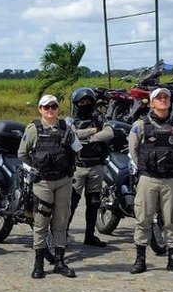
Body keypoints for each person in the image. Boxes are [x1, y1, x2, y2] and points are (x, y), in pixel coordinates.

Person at [127, 87, 173, 274]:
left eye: (166, 97)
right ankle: (140, 260)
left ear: (170, 101)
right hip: (148, 179)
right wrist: (144, 167)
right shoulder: (140, 125)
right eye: (159, 97)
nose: (163, 100)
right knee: (143, 220)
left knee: (171, 221)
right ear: (151, 102)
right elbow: (133, 150)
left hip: (171, 179)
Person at [17, 94, 80, 279]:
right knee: (41, 222)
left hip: (63, 181)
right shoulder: (33, 129)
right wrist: (35, 167)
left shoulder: (66, 128)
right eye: (46, 107)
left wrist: (69, 167)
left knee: (61, 221)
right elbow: (22, 153)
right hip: (43, 182)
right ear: (40, 109)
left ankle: (60, 262)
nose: (50, 110)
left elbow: (77, 149)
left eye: (53, 107)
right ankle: (38, 264)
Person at [68, 87, 114, 248]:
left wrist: (91, 138)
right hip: (77, 167)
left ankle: (89, 236)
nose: (85, 104)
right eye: (82, 102)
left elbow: (109, 133)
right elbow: (71, 135)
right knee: (71, 202)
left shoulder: (99, 117)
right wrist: (94, 131)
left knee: (94, 202)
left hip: (96, 166)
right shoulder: (70, 120)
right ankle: (63, 234)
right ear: (76, 103)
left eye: (88, 102)